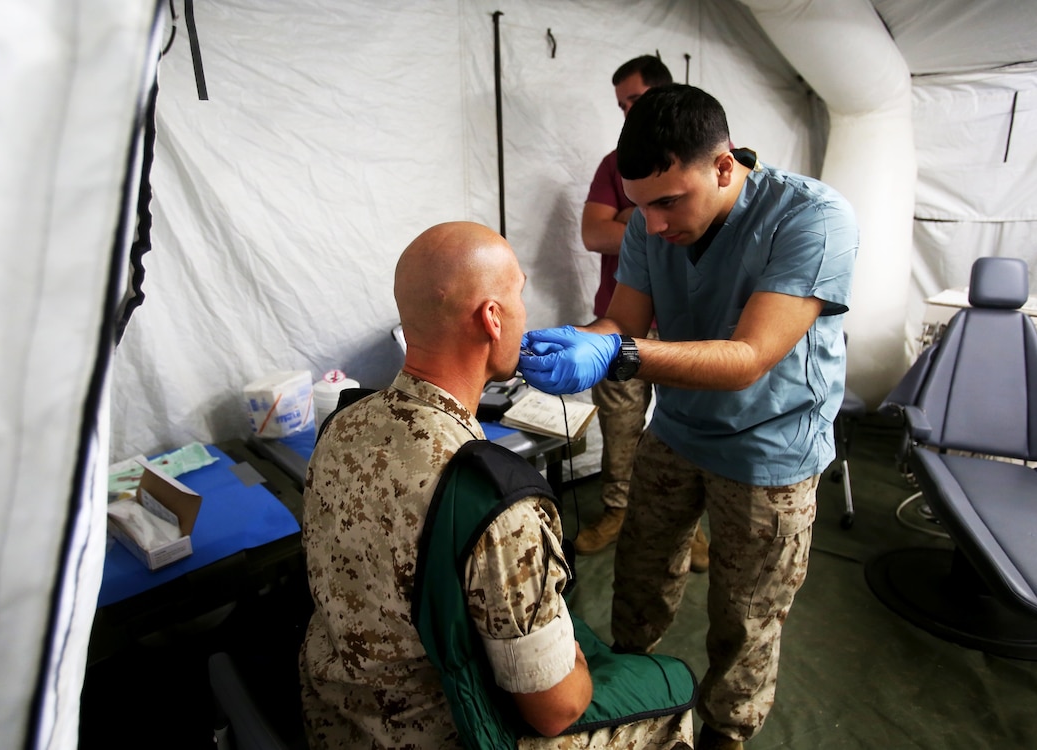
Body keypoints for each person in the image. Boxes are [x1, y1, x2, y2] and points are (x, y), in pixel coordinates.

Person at [519, 85, 858, 750]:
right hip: (676, 432)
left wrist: (617, 352)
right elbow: (626, 320)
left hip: (771, 448)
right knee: (640, 571)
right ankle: (627, 691)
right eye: (642, 208)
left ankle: (725, 736)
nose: (657, 224)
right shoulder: (651, 219)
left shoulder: (812, 218)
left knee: (745, 616)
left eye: (671, 201)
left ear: (725, 166)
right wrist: (587, 339)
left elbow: (749, 357)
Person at [299, 221, 694, 749]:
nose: (525, 313)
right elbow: (556, 709)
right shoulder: (496, 505)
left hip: (333, 719)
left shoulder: (340, 425)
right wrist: (572, 652)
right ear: (491, 317)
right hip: (443, 735)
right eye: (519, 294)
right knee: (668, 694)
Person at [578, 55, 710, 573]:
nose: (626, 112)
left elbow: (747, 358)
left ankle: (690, 528)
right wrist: (641, 222)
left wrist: (632, 217)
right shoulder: (616, 164)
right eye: (621, 105)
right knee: (621, 424)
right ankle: (617, 510)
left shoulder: (703, 161)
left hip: (682, 328)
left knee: (688, 427)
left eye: (633, 100)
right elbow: (593, 234)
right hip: (622, 313)